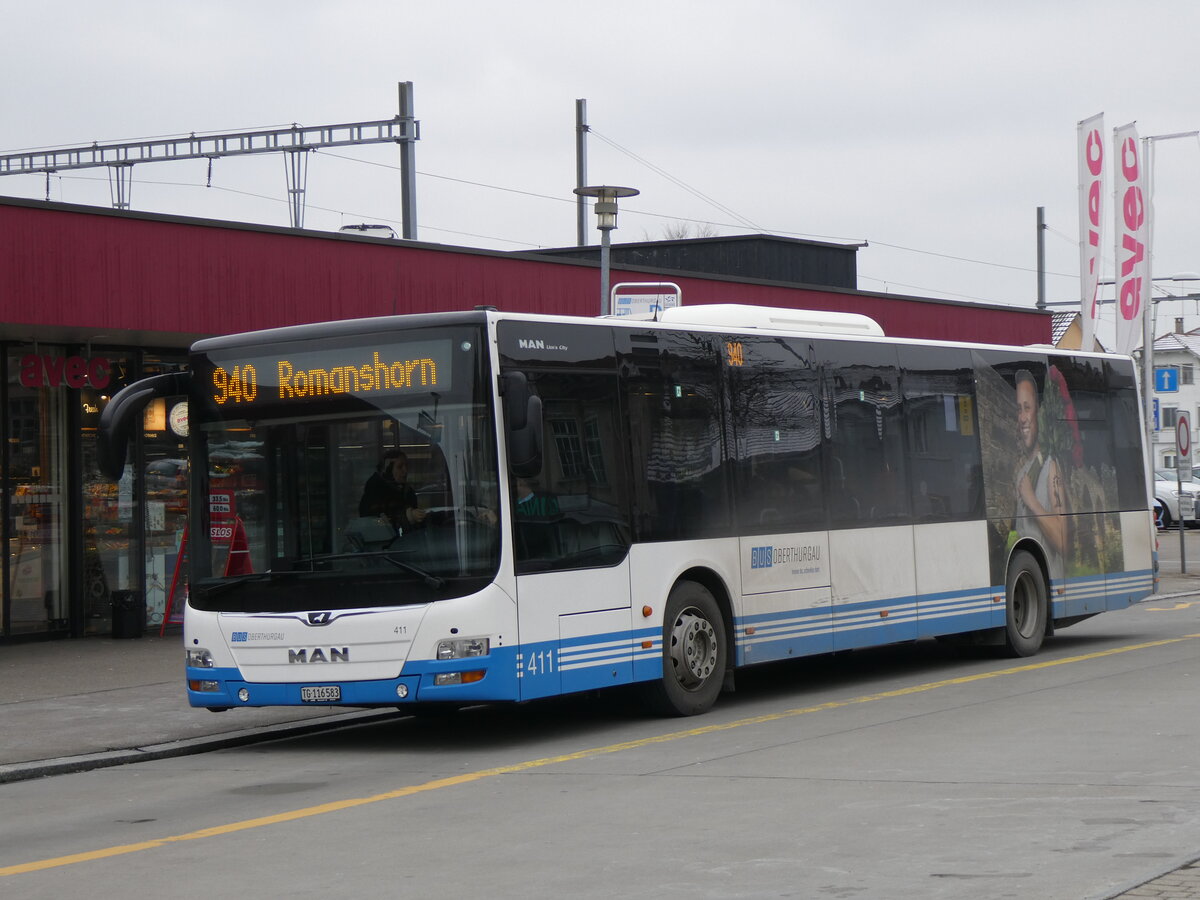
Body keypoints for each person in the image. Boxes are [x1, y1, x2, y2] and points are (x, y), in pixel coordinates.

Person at [1013, 369, 1067, 561]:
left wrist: (1031, 500)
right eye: (1019, 409)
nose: (1022, 417)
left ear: (1038, 410)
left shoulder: (1051, 466)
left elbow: (1062, 541)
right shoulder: (1022, 473)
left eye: (1027, 408)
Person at [359, 450, 427, 532]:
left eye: (406, 465)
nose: (405, 470)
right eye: (400, 467)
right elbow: (374, 523)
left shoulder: (407, 492)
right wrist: (407, 517)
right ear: (387, 471)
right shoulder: (374, 493)